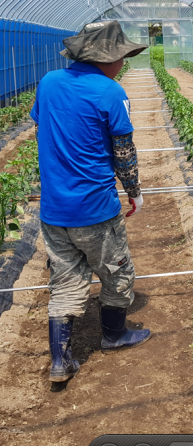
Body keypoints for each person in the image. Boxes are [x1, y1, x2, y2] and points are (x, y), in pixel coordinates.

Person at [30, 21, 152, 384]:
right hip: (95, 209)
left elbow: (41, 132)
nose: (124, 63)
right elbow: (124, 153)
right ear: (108, 59)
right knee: (117, 272)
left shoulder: (49, 82)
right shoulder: (110, 92)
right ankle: (114, 335)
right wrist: (134, 191)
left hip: (54, 210)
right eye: (122, 57)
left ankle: (60, 360)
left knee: (65, 280)